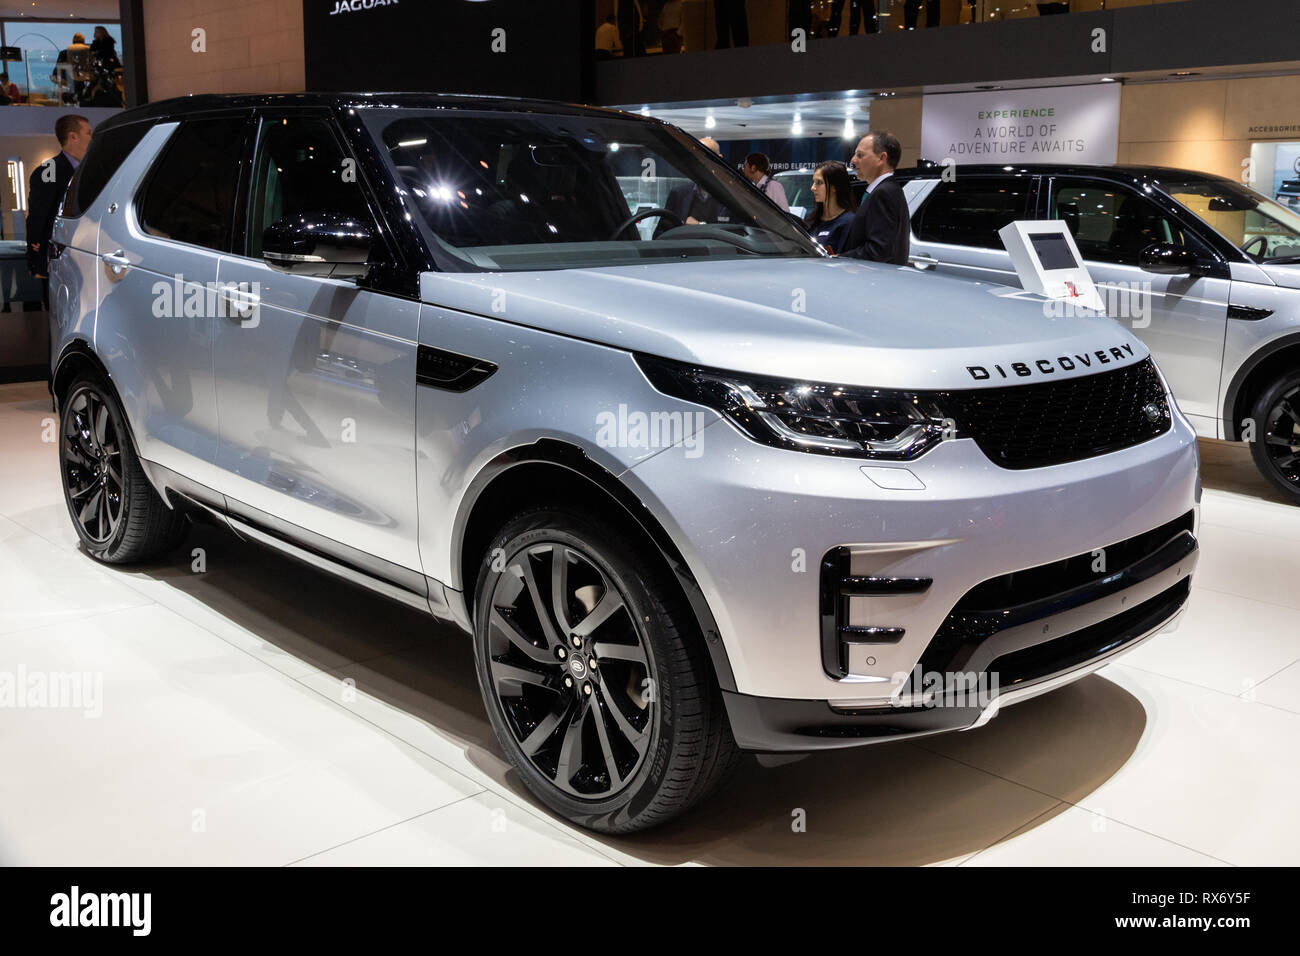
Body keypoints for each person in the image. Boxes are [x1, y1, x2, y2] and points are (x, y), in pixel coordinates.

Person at [26, 115, 91, 304]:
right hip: (60, 260)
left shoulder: (93, 169)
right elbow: (38, 217)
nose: (91, 138)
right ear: (73, 137)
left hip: (89, 257)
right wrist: (36, 262)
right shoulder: (48, 170)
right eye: (88, 133)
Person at [840, 131, 910, 265]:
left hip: (875, 280)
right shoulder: (888, 189)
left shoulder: (884, 193)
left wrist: (841, 258)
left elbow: (879, 250)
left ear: (881, 158)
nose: (853, 160)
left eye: (860, 155)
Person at [804, 161, 857, 254]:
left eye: (819, 183)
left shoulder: (849, 222)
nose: (812, 187)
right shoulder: (810, 220)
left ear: (835, 187)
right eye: (813, 182)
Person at [51, 33, 93, 104]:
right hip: (70, 75)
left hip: (61, 74)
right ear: (83, 42)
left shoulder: (64, 52)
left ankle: (72, 96)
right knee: (78, 78)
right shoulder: (85, 52)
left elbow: (58, 66)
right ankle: (76, 96)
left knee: (77, 78)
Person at [86, 26, 123, 107]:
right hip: (105, 67)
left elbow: (103, 53)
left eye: (96, 32)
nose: (94, 34)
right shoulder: (103, 43)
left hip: (106, 67)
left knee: (104, 83)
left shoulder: (106, 43)